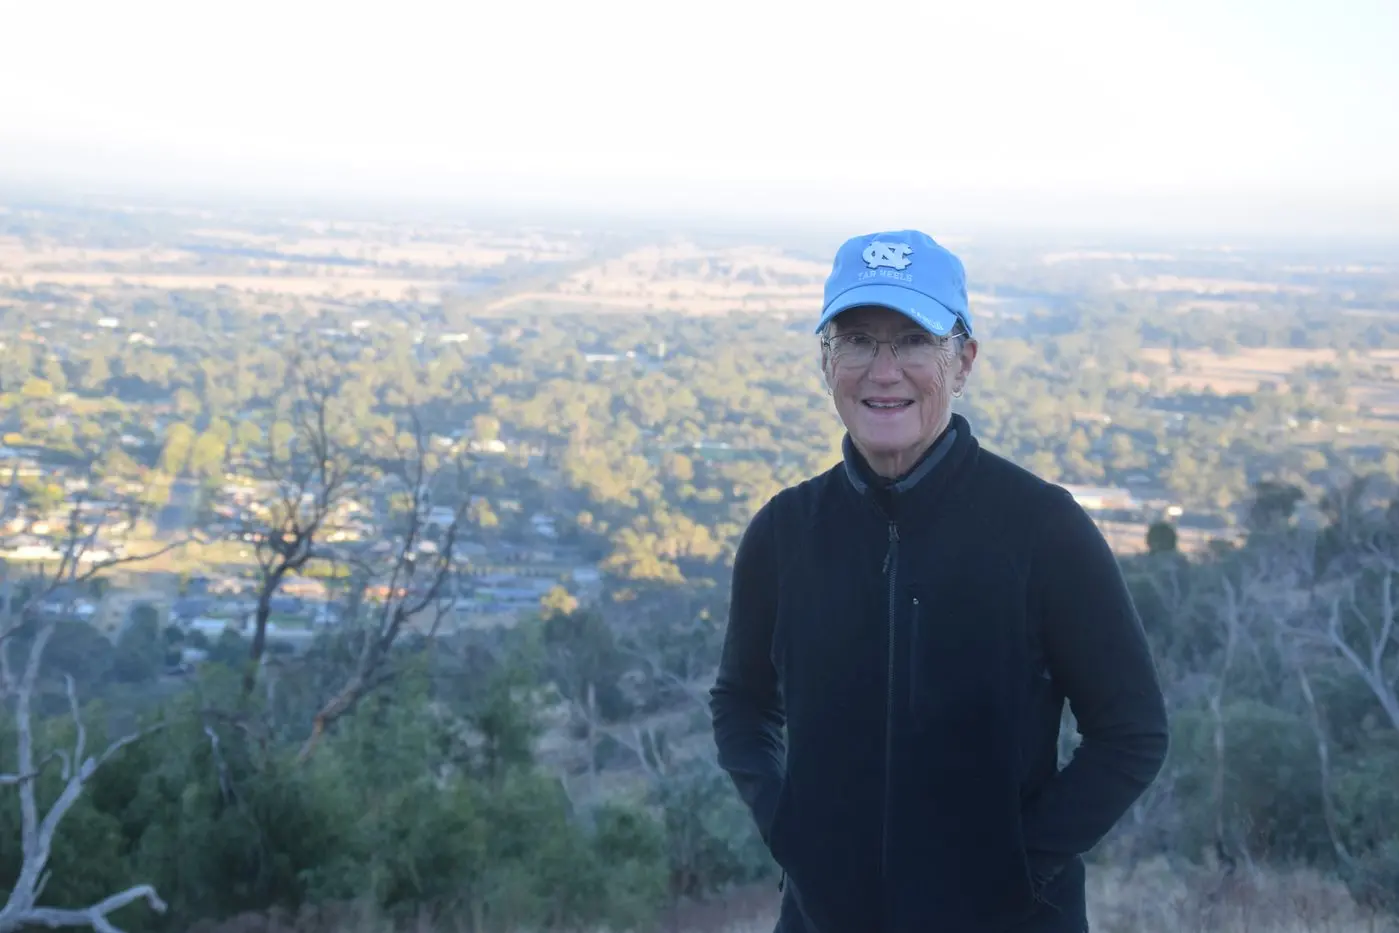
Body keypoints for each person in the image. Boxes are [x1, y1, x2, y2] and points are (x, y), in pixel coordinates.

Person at [708, 229, 1169, 932]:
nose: (882, 369)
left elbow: (1131, 731)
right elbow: (741, 704)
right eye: (857, 339)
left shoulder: (1042, 529)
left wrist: (1013, 867)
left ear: (963, 360)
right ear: (825, 361)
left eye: (913, 340)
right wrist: (791, 832)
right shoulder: (783, 532)